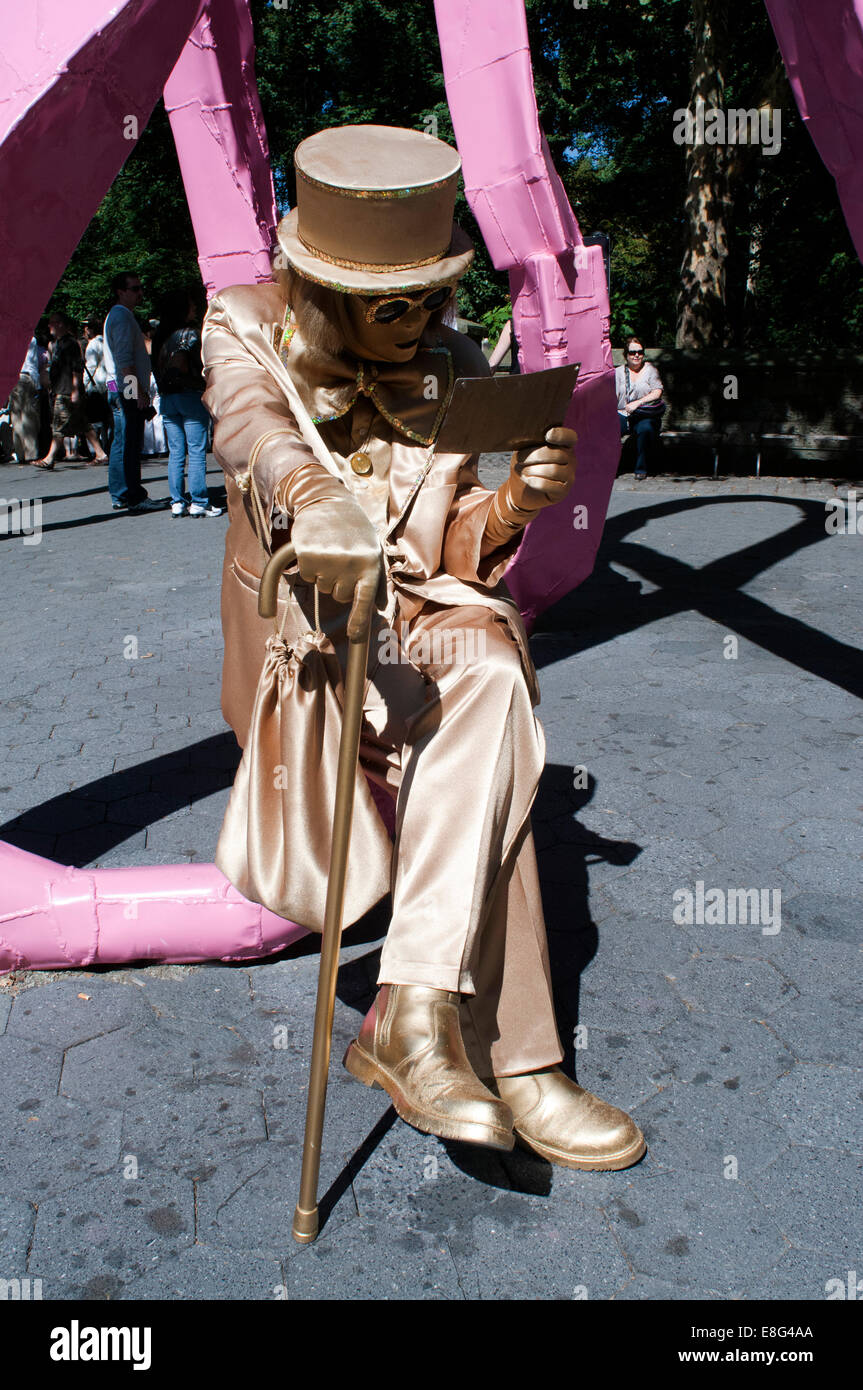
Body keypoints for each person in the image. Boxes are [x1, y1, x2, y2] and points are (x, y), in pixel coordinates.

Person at [202, 124, 645, 1172]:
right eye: (392, 303)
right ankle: (522, 1062)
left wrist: (509, 506)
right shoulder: (246, 327)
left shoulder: (448, 360)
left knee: (487, 679)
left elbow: (452, 552)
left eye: (435, 294)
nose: (423, 322)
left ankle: (411, 1010)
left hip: (421, 629)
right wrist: (311, 493)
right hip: (309, 649)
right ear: (325, 290)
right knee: (494, 760)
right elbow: (247, 425)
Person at [152, 290, 221, 517]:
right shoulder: (191, 333)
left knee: (176, 452)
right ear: (182, 309)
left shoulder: (159, 334)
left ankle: (177, 501)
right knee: (197, 450)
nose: (194, 309)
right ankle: (199, 501)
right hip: (190, 395)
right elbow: (191, 362)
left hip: (168, 398)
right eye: (191, 305)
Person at [103, 271, 163, 512]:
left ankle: (121, 493)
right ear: (121, 291)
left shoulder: (116, 316)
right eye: (135, 289)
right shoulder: (122, 317)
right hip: (124, 387)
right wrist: (137, 391)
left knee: (121, 442)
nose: (140, 293)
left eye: (140, 287)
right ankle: (134, 496)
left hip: (117, 386)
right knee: (130, 443)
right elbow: (124, 361)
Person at [34, 311, 105, 468]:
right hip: (73, 387)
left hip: (69, 390)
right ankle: (100, 453)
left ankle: (49, 458)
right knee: (83, 424)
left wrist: (75, 390)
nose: (49, 326)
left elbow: (78, 368)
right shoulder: (60, 343)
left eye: (52, 322)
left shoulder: (72, 344)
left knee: (58, 425)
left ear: (60, 324)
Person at [615, 335, 665, 479]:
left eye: (640, 352)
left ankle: (641, 468)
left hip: (644, 413)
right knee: (609, 429)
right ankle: (609, 466)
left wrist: (638, 402)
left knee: (645, 429)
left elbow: (657, 392)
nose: (636, 355)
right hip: (623, 413)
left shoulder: (650, 370)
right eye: (632, 352)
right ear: (626, 355)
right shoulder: (618, 372)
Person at [82, 316, 112, 458]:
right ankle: (108, 446)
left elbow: (90, 366)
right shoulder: (107, 341)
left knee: (95, 419)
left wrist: (84, 384)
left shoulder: (93, 343)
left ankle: (96, 451)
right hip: (109, 383)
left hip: (96, 385)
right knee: (108, 418)